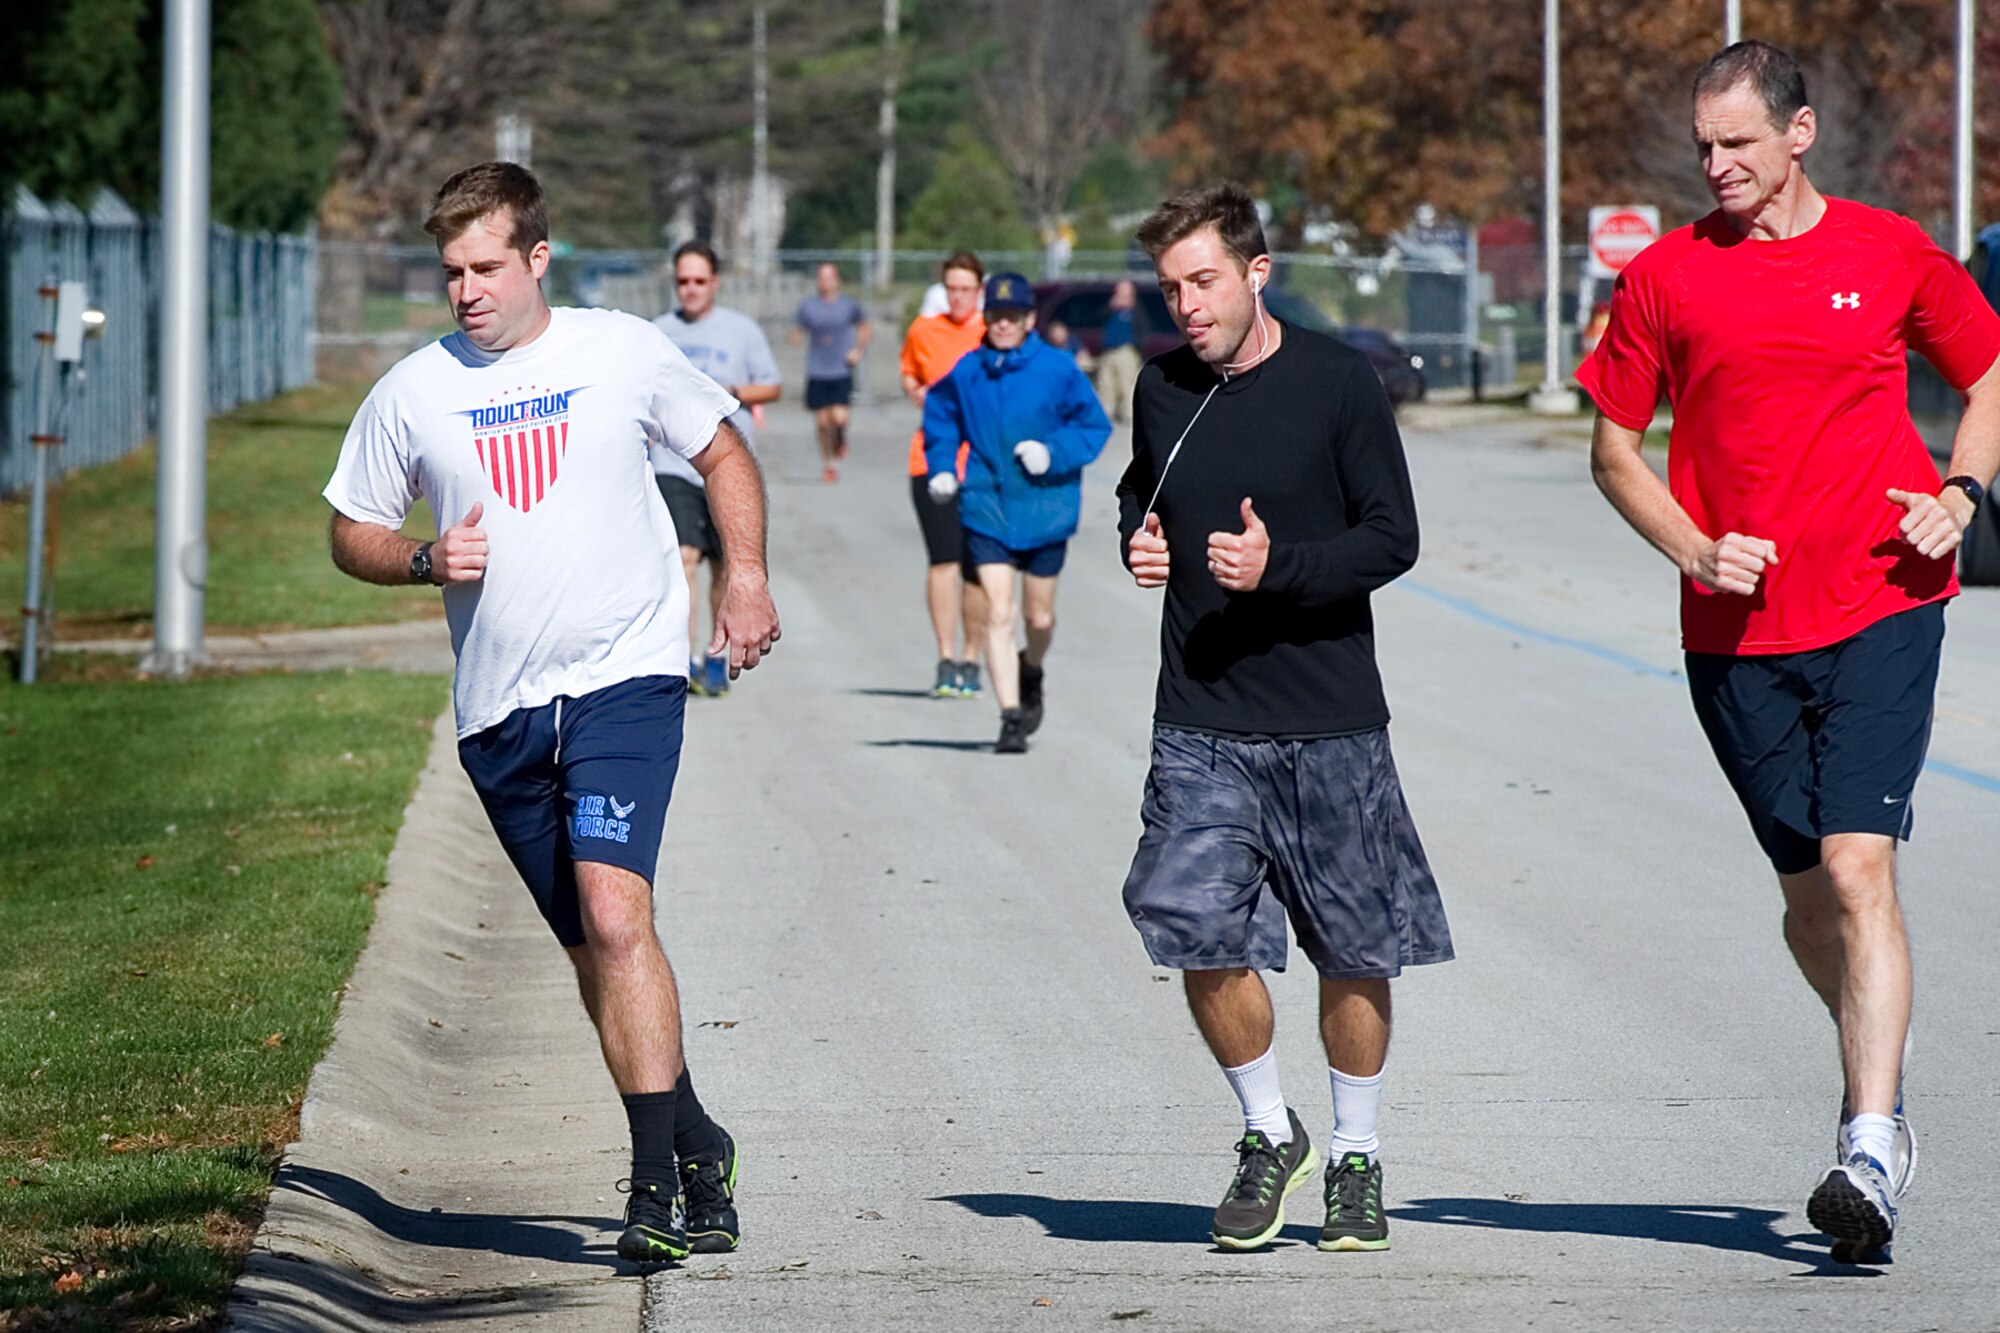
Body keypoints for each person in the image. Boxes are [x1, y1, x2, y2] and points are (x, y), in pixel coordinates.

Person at [1578, 41, 2000, 1262]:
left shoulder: (1886, 252)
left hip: (1882, 597)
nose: (1714, 165)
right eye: (1703, 145)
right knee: (1806, 898)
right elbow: (1611, 449)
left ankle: (1868, 1142)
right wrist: (1693, 547)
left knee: (1858, 866)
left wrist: (1962, 491)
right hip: (1734, 631)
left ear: (1798, 133)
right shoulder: (1662, 279)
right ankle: (1878, 1048)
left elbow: (1987, 370)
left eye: (1738, 144)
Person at [323, 162, 780, 1263]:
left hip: (625, 676)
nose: (467, 290)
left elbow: (720, 446)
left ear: (536, 258)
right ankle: (695, 1138)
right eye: (451, 272)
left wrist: (745, 576)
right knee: (591, 947)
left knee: (618, 916)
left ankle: (647, 1192)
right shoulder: (412, 389)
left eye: (486, 266)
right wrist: (422, 556)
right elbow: (349, 528)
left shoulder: (618, 350)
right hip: (499, 713)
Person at [1115, 184, 1454, 1254]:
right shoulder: (1161, 387)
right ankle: (1269, 1131)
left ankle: (1354, 1154)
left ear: (1256, 273)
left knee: (1355, 950)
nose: (1186, 306)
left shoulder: (1335, 382)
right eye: (1171, 287)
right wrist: (1140, 536)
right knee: (1188, 924)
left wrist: (1280, 570)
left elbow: (1391, 537)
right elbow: (1142, 488)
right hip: (1201, 718)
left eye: (1203, 280)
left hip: (1329, 722)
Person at [921, 273, 1110, 753]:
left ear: (1029, 319)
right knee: (998, 612)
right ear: (986, 319)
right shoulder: (969, 370)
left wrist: (1054, 451)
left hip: (1046, 507)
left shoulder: (1058, 368)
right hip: (987, 505)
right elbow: (940, 417)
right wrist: (943, 467)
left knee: (1038, 617)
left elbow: (1093, 425)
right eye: (995, 316)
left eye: (1013, 316)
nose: (1003, 324)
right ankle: (1009, 717)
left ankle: (1032, 668)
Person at [654, 241, 783, 697]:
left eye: (699, 281)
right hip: (672, 464)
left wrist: (731, 390)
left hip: (724, 466)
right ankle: (683, 659)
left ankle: (714, 653)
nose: (690, 290)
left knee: (722, 569)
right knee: (683, 557)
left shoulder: (741, 331)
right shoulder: (657, 332)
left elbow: (773, 387)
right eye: (683, 281)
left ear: (715, 283)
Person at [899, 251, 993, 698]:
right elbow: (910, 374)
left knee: (976, 567)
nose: (958, 297)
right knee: (942, 560)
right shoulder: (924, 330)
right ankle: (945, 656)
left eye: (966, 289)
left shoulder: (992, 331)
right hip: (931, 461)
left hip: (983, 465)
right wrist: (916, 392)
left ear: (979, 291)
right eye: (951, 289)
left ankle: (972, 657)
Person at [791, 262, 871, 483]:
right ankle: (830, 464)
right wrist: (796, 336)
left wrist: (858, 350)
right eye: (821, 278)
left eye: (829, 278)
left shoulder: (848, 305)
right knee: (822, 422)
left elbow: (864, 326)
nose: (825, 283)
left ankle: (841, 438)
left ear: (837, 281)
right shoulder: (809, 306)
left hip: (840, 369)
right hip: (817, 369)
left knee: (839, 417)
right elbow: (799, 328)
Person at [1094, 279, 1143, 425]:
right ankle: (1105, 414)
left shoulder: (1135, 311)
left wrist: (1139, 348)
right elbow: (1097, 318)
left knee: (1126, 384)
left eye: (1124, 291)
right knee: (1106, 384)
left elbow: (1143, 330)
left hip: (1126, 350)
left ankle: (1128, 414)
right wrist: (1111, 307)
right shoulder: (1111, 310)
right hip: (1108, 350)